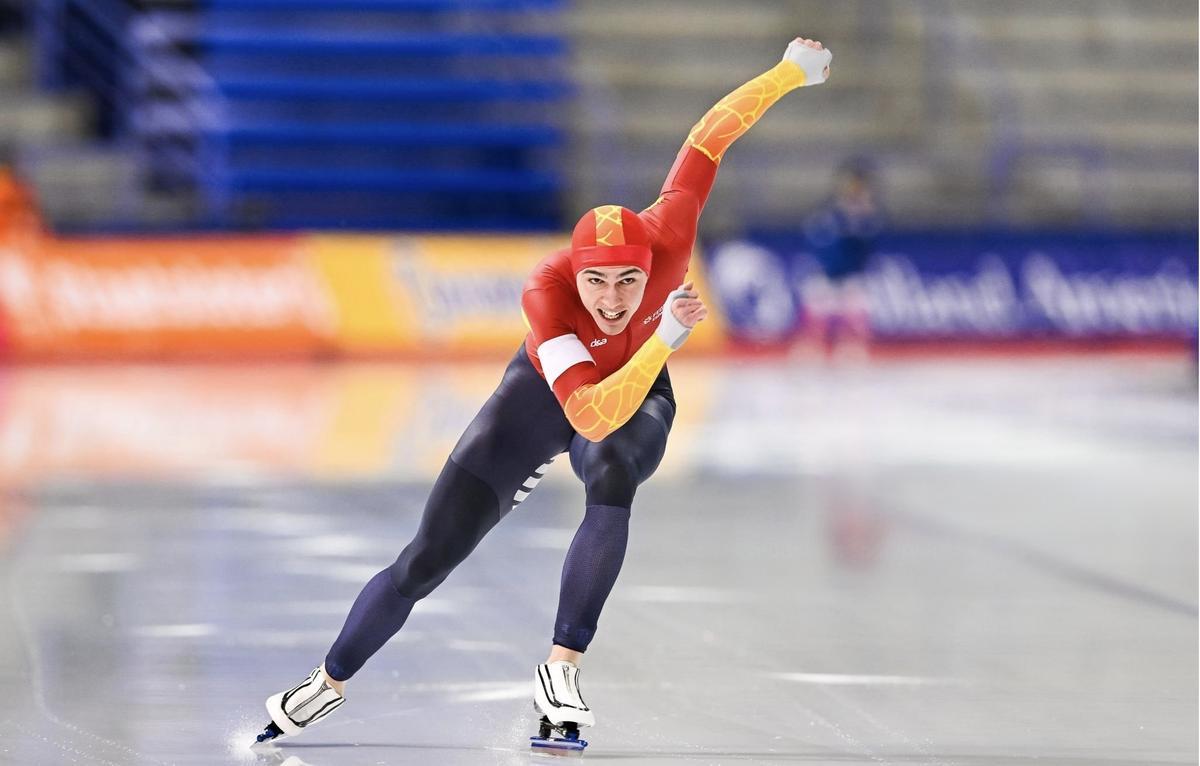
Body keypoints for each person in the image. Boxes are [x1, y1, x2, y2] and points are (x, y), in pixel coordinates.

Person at [253, 35, 833, 752]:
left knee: (614, 470)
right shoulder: (546, 293)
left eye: (630, 280)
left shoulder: (670, 230)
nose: (615, 298)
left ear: (649, 258)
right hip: (546, 393)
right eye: (599, 281)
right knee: (425, 560)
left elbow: (710, 135)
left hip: (640, 386)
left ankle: (561, 671)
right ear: (574, 273)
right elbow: (584, 409)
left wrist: (786, 73)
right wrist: (665, 339)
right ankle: (327, 680)